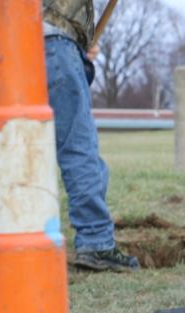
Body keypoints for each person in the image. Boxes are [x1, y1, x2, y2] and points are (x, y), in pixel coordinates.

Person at [43, 0, 140, 272]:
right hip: (53, 42)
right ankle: (96, 242)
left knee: (14, 145)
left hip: (14, 44)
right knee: (78, 148)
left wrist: (78, 39)